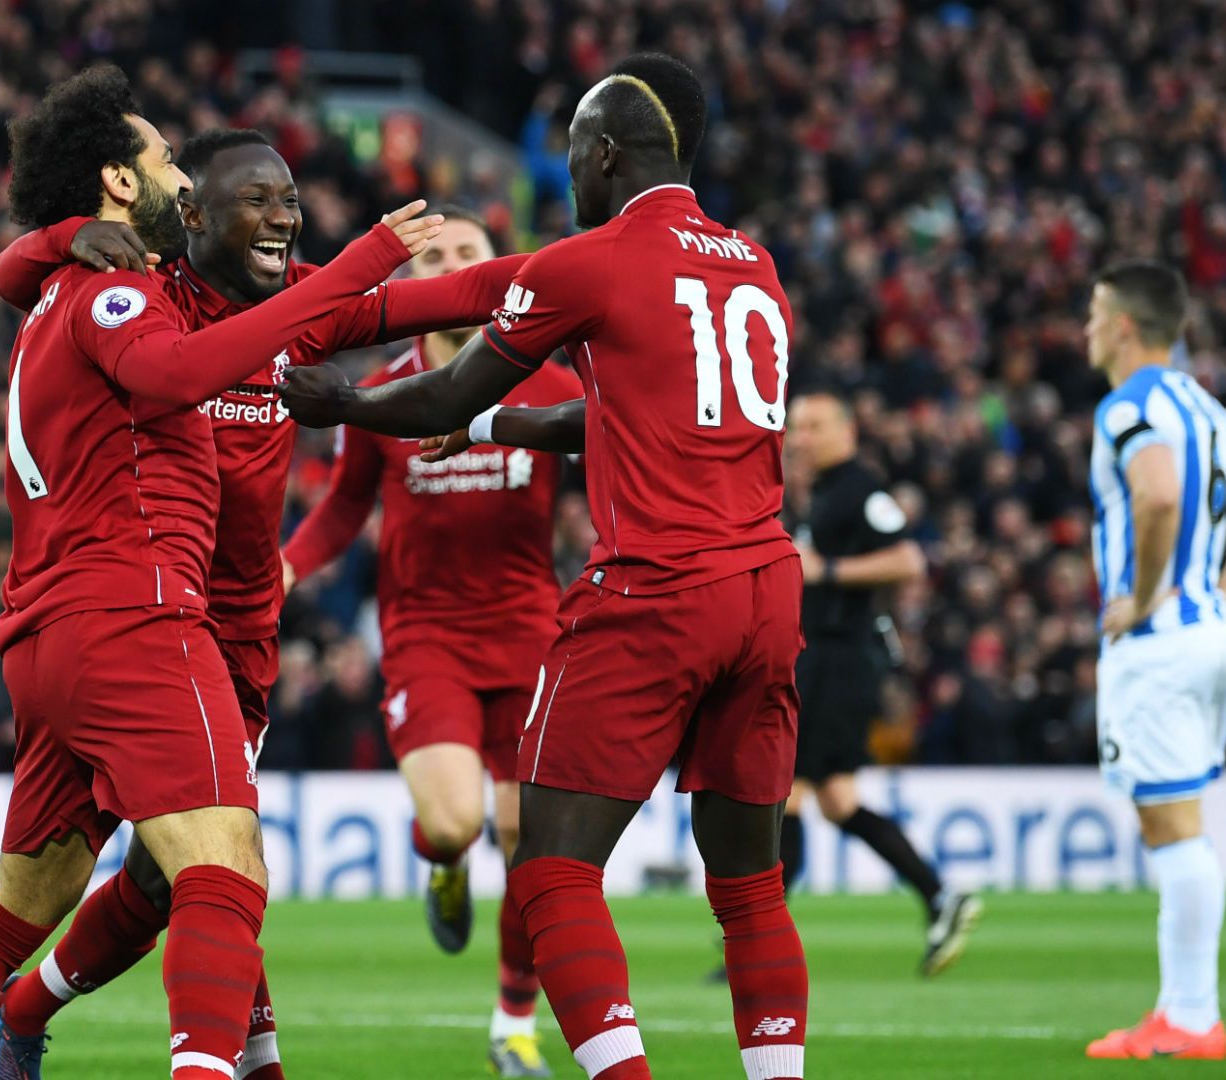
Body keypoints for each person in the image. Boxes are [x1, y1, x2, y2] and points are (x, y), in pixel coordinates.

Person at [0, 66, 443, 1080]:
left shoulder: (72, 280)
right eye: (165, 160)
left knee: (35, 899)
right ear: (115, 179)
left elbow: (17, 268)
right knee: (224, 873)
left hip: (72, 634)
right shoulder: (124, 295)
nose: (182, 179)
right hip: (140, 619)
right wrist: (364, 257)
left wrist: (559, 282)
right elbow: (178, 371)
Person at [282, 53, 810, 1080]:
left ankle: (583, 1057)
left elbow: (434, 398)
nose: (566, 173)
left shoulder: (591, 262)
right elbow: (621, 410)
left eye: (572, 150)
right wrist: (503, 422)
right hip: (765, 585)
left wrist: (342, 404)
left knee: (553, 870)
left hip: (658, 590)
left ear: (604, 152)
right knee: (748, 887)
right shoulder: (753, 263)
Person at [0, 132, 530, 1080]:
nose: (279, 219)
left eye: (289, 200)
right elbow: (9, 269)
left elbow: (456, 296)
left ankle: (25, 1009)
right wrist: (63, 235)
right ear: (191, 215)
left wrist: (605, 262)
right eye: (251, 200)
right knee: (221, 871)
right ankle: (228, 1061)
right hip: (149, 618)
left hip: (242, 637)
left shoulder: (301, 308)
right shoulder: (152, 301)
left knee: (179, 880)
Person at [278, 208, 581, 1077]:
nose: (453, 266)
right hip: (426, 635)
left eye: (469, 254)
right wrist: (289, 571)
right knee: (455, 825)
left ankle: (513, 1024)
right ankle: (442, 866)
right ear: (414, 281)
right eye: (437, 257)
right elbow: (341, 507)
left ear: (499, 272)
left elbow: (607, 474)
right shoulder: (382, 392)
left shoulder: (544, 381)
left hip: (531, 629)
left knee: (532, 839)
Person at [1080, 260, 1226, 1061]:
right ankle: (1178, 1009)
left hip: (1160, 645)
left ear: (1126, 326)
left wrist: (1137, 594)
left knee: (1172, 830)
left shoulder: (1128, 404)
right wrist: (1221, 590)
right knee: (1181, 820)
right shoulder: (1201, 404)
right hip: (1210, 634)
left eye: (1096, 314)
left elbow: (1158, 493)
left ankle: (1194, 1017)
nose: (1087, 328)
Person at [783, 390, 981, 976]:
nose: (801, 437)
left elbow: (909, 561)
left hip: (840, 662)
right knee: (837, 801)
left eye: (814, 426)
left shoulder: (861, 489)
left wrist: (830, 572)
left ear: (846, 430)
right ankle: (939, 895)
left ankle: (756, 937)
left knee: (787, 790)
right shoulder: (824, 491)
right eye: (796, 427)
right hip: (828, 659)